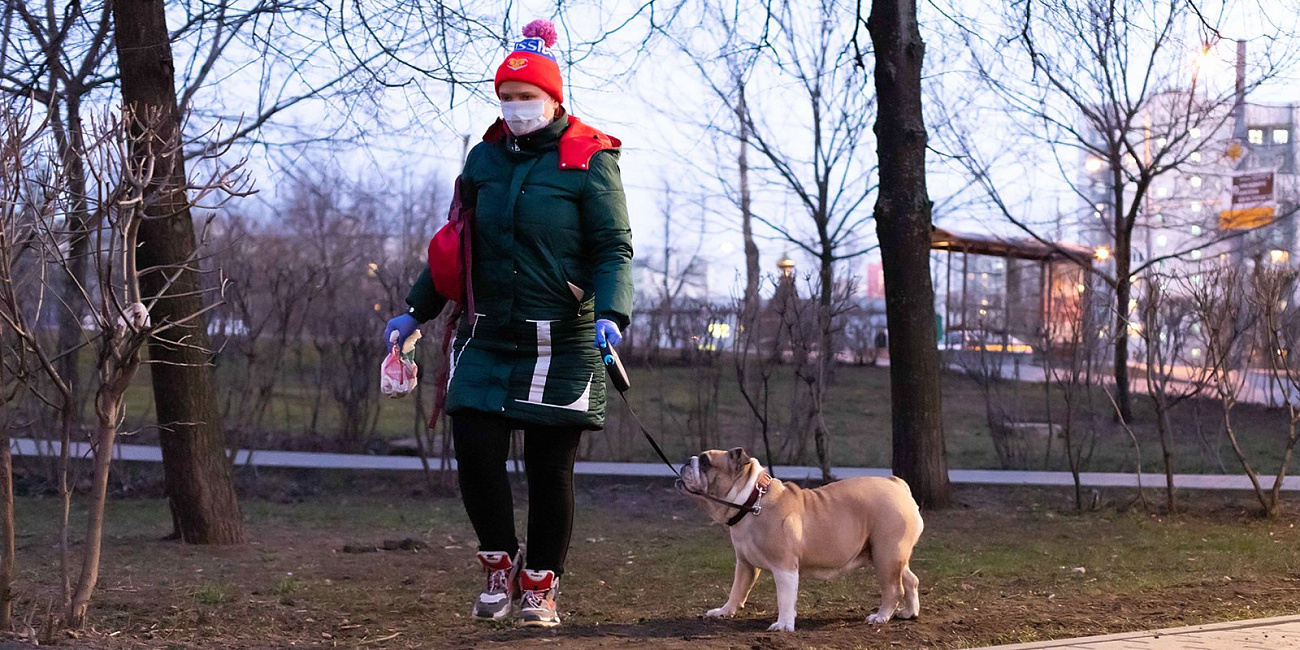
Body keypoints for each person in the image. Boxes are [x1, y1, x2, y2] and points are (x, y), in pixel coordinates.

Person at [383, 19, 633, 628]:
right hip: (486, 336)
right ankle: (498, 564)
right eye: (508, 97)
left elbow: (613, 247)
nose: (517, 108)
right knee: (473, 449)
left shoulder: (590, 159)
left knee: (551, 472)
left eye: (528, 98)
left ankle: (540, 585)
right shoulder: (483, 159)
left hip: (563, 340)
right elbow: (455, 246)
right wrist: (416, 311)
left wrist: (611, 311)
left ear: (553, 99)